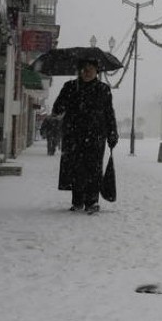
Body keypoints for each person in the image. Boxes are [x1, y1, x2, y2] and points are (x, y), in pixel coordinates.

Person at [52, 58, 118, 214]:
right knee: (75, 168)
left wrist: (112, 132)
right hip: (74, 135)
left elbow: (109, 113)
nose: (87, 72)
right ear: (79, 71)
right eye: (84, 69)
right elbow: (57, 109)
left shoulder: (103, 89)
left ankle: (92, 201)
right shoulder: (69, 87)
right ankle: (77, 201)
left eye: (90, 69)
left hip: (96, 136)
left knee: (94, 169)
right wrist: (64, 102)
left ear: (97, 71)